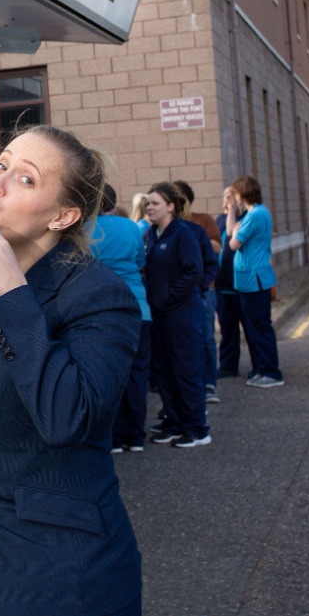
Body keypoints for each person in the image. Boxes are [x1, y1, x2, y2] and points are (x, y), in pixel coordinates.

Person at [0, 125, 142, 616]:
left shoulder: (98, 297)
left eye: (25, 179)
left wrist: (13, 293)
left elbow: (68, 418)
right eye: (2, 165)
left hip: (67, 571)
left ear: (63, 215)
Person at [142, 182, 210, 448]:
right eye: (147, 203)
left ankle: (197, 428)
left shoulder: (182, 234)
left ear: (171, 206)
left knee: (185, 370)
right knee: (164, 371)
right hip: (159, 315)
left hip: (181, 314)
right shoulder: (150, 235)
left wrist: (169, 298)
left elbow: (194, 272)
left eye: (155, 203)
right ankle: (175, 422)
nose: (149, 207)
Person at [92, 184, 150, 453]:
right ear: (115, 203)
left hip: (102, 310)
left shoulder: (84, 230)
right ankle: (136, 436)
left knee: (107, 375)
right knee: (138, 374)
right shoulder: (131, 227)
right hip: (138, 307)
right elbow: (140, 260)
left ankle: (113, 438)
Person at [225, 175, 284, 388]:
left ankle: (271, 371)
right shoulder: (253, 213)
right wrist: (231, 209)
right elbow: (231, 230)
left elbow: (233, 243)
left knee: (260, 328)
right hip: (248, 279)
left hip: (254, 279)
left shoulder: (256, 214)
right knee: (253, 328)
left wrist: (236, 230)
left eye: (236, 194)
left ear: (242, 193)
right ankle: (260, 368)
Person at [174, 180, 222, 403]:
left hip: (203, 291)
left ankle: (210, 383)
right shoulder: (162, 229)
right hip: (177, 295)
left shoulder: (201, 222)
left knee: (206, 338)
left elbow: (216, 249)